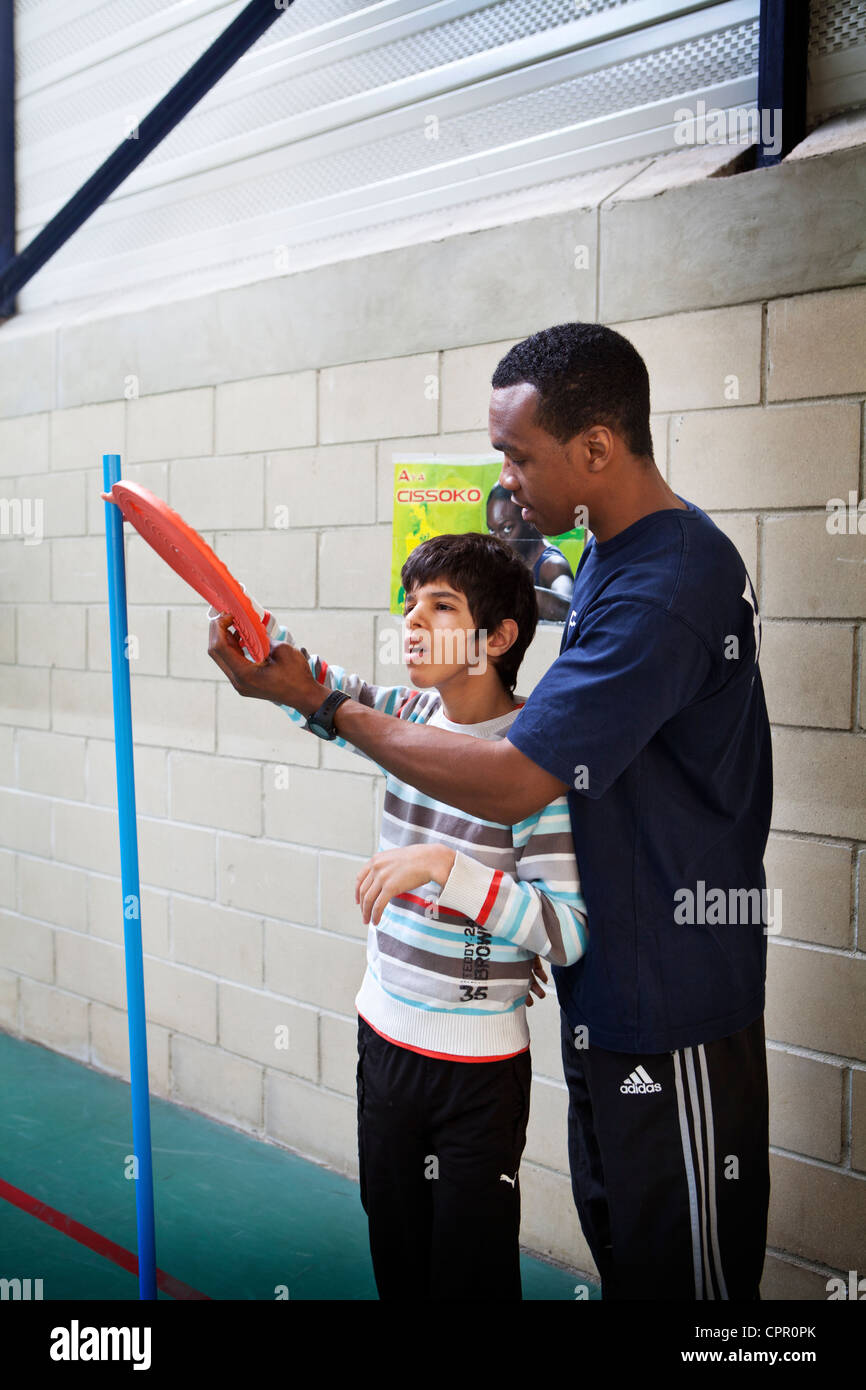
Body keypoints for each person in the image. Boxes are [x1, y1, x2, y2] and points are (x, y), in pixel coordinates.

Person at [209, 321, 772, 1302]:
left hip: (670, 996)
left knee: (691, 1290)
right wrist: (315, 692)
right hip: (606, 994)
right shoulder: (605, 553)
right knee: (630, 1256)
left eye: (517, 454)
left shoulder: (669, 581)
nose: (503, 478)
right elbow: (429, 721)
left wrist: (321, 707)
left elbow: (513, 772)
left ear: (595, 449)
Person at [223, 531, 587, 1301]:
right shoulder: (405, 714)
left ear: (497, 638)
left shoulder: (532, 761)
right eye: (410, 605)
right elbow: (316, 682)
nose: (412, 624)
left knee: (469, 1279)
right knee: (401, 1267)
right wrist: (239, 617)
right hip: (383, 1047)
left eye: (440, 607)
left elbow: (567, 931)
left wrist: (445, 871)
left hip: (478, 1077)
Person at [486, 483, 572, 621]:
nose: (498, 540)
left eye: (507, 529)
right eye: (492, 530)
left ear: (530, 521)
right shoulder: (507, 559)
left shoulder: (553, 564)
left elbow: (568, 610)